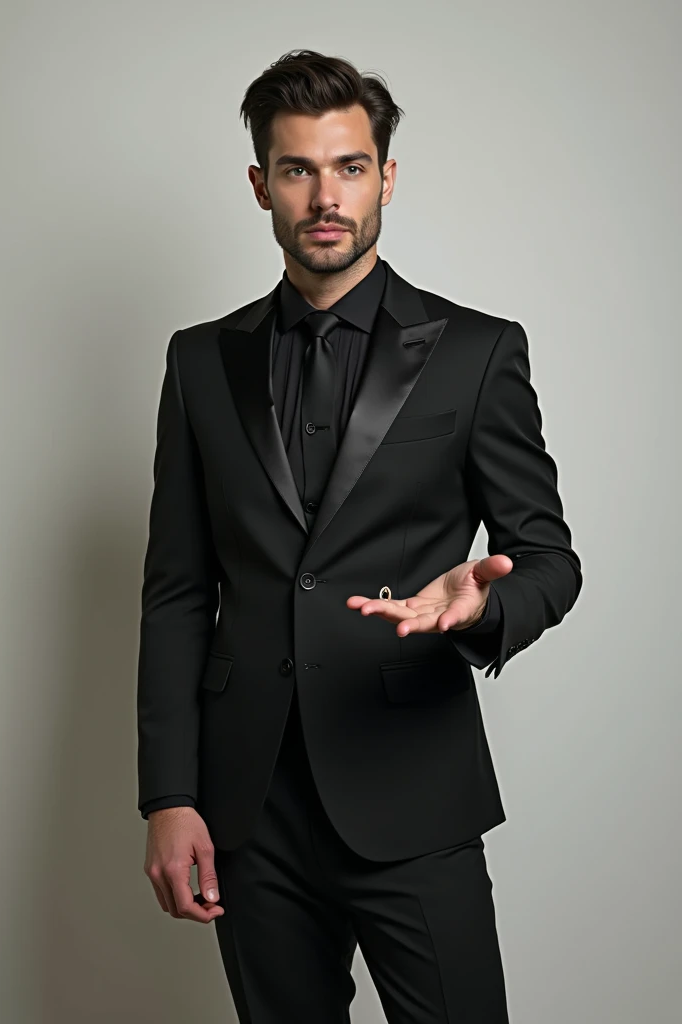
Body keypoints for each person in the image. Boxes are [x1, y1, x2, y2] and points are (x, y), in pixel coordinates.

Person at [137, 48, 582, 1023]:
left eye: (347, 166)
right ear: (260, 183)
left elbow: (549, 560)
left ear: (386, 174)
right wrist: (169, 796)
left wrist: (483, 605)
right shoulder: (201, 362)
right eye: (297, 169)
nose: (323, 195)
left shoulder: (475, 352)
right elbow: (176, 591)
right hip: (248, 808)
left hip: (412, 791)